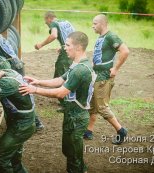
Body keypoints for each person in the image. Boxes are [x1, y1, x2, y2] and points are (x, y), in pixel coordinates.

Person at [20, 31, 94, 173]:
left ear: (78, 47)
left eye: (67, 45)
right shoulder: (78, 64)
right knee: (71, 152)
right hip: (73, 115)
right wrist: (38, 81)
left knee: (73, 156)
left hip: (76, 118)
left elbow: (61, 92)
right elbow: (60, 80)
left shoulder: (80, 70)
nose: (64, 47)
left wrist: (34, 89)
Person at [83, 14, 130, 145]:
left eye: (95, 23)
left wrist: (115, 69)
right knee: (92, 105)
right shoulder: (101, 38)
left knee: (102, 107)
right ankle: (89, 131)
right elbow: (99, 57)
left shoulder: (111, 36)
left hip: (104, 77)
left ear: (102, 24)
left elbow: (125, 51)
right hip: (96, 76)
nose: (92, 26)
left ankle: (121, 130)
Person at [0, 43, 45, 131]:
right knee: (22, 96)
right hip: (14, 65)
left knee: (17, 99)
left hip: (9, 69)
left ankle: (34, 123)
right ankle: (36, 123)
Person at [35, 11, 75, 112]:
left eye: (45, 20)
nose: (46, 23)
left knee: (61, 75)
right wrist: (63, 46)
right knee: (69, 73)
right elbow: (73, 35)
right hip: (74, 51)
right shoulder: (66, 22)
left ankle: (66, 103)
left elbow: (53, 35)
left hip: (67, 54)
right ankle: (70, 99)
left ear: (49, 18)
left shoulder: (54, 24)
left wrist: (41, 44)